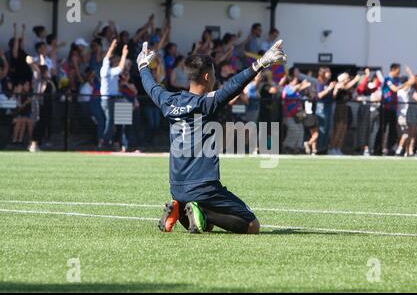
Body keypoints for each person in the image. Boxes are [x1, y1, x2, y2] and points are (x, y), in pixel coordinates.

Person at [137, 40, 286, 234]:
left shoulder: (169, 101)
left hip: (176, 187)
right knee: (252, 226)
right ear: (207, 76)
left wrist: (142, 66)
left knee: (205, 228)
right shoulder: (206, 103)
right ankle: (195, 210)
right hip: (204, 187)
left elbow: (151, 87)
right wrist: (261, 63)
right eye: (214, 74)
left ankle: (179, 207)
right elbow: (234, 85)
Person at [100, 39, 128, 148]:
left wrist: (112, 47)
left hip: (114, 98)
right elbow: (119, 67)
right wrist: (124, 54)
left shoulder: (111, 70)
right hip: (108, 100)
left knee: (119, 120)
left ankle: (118, 142)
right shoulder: (106, 71)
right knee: (110, 121)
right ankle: (105, 141)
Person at [329, 72, 360, 155]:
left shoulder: (348, 87)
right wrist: (356, 79)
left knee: (343, 129)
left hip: (345, 107)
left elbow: (351, 92)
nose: (348, 79)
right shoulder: (339, 85)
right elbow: (345, 87)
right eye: (347, 78)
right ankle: (332, 148)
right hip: (339, 107)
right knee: (338, 128)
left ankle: (338, 148)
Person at [315, 67, 335, 153]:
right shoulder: (320, 83)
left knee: (327, 128)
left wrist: (336, 88)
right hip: (322, 106)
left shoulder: (328, 83)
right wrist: (329, 88)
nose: (330, 74)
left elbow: (332, 96)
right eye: (328, 72)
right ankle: (319, 148)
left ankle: (324, 148)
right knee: (322, 128)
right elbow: (319, 95)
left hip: (329, 106)